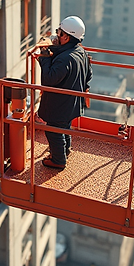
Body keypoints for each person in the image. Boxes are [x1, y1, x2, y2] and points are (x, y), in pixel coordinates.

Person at [37, 15, 92, 169]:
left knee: (53, 131)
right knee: (64, 127)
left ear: (66, 37)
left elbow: (48, 79)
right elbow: (89, 74)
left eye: (59, 32)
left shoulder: (65, 59)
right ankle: (65, 151)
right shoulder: (81, 52)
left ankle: (58, 160)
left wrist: (44, 57)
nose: (56, 35)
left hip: (60, 104)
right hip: (73, 102)